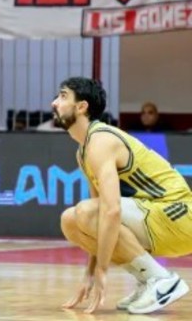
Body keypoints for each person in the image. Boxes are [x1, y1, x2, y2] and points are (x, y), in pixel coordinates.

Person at [55, 77, 191, 315]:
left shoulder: (101, 141)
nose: (55, 102)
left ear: (82, 106)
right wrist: (89, 273)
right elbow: (97, 221)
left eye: (63, 96)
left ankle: (162, 280)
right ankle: (149, 279)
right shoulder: (84, 151)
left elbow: (111, 211)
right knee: (71, 220)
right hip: (158, 221)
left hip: (179, 214)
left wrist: (102, 271)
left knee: (86, 212)